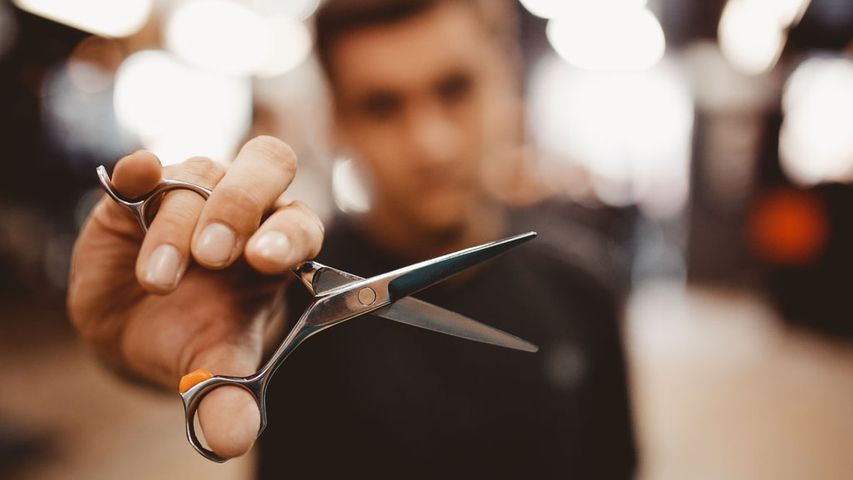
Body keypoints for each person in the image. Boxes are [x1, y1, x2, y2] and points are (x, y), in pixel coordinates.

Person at [68, 0, 636, 477]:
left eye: (454, 88)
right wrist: (133, 332)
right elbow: (197, 358)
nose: (430, 144)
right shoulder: (262, 301)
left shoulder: (583, 286)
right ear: (337, 120)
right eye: (382, 106)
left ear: (505, 77)